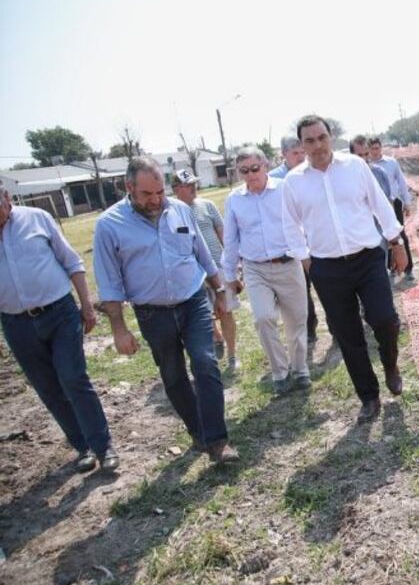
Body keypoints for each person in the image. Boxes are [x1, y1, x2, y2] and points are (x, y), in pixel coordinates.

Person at [93, 157, 238, 464]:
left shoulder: (181, 210)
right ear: (129, 187)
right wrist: (119, 328)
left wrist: (219, 291)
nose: (156, 200)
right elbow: (109, 281)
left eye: (160, 192)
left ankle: (218, 440)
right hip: (152, 313)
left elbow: (202, 254)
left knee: (205, 362)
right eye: (147, 194)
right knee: (173, 375)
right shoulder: (109, 224)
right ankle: (198, 431)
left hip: (193, 300)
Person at [282, 115, 408, 424]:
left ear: (331, 136)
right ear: (302, 145)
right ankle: (369, 396)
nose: (317, 145)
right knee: (348, 335)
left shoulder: (354, 166)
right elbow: (290, 226)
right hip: (327, 268)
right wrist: (306, 261)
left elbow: (379, 203)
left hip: (368, 258)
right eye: (309, 140)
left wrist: (396, 241)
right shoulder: (293, 182)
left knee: (385, 319)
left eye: (321, 137)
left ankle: (390, 365)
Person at [0, 187, 118, 473]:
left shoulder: (37, 218)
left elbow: (72, 262)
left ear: (6, 197)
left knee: (72, 377)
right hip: (16, 324)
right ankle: (83, 446)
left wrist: (87, 306)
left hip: (59, 313)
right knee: (48, 388)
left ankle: (103, 446)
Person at [222, 147, 309, 394]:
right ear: (238, 173)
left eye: (254, 168)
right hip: (255, 269)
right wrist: (230, 275)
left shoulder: (284, 188)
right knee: (262, 318)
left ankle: (300, 369)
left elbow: (303, 221)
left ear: (265, 166)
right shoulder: (234, 200)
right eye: (244, 171)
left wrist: (307, 254)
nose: (250, 175)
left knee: (296, 320)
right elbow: (230, 240)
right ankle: (280, 372)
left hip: (288, 263)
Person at [171, 169, 241, 372]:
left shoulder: (207, 205)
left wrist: (233, 263)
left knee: (226, 311)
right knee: (203, 315)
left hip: (217, 267)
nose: (193, 188)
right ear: (176, 189)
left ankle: (232, 355)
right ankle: (216, 336)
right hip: (192, 273)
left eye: (194, 183)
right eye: (187, 185)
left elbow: (223, 234)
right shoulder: (172, 213)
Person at [268, 135, 320, 346]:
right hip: (291, 245)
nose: (300, 157)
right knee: (302, 289)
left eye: (302, 152)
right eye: (295, 153)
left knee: (326, 285)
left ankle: (336, 327)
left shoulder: (312, 172)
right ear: (284, 154)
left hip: (316, 239)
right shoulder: (273, 179)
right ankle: (309, 328)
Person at [367, 137, 414, 280]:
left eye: (377, 148)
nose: (374, 151)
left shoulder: (391, 163)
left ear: (381, 148)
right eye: (372, 149)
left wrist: (407, 202)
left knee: (399, 234)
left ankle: (408, 269)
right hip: (374, 207)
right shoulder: (365, 167)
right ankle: (389, 269)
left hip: (394, 203)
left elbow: (401, 182)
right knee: (381, 237)